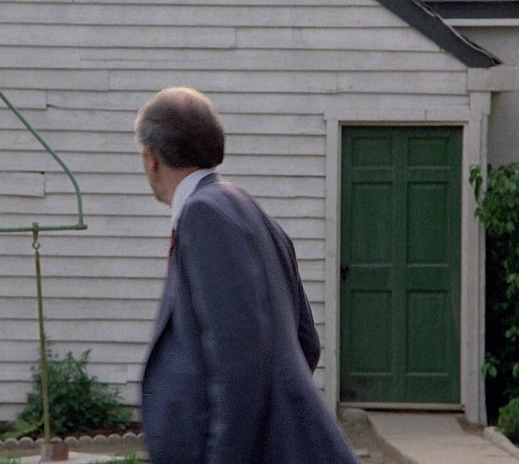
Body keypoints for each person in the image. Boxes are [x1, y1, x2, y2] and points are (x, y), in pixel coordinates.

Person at [135, 87, 360, 463]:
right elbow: (306, 341)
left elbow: (240, 361)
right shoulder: (247, 210)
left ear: (151, 158)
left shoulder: (203, 215)